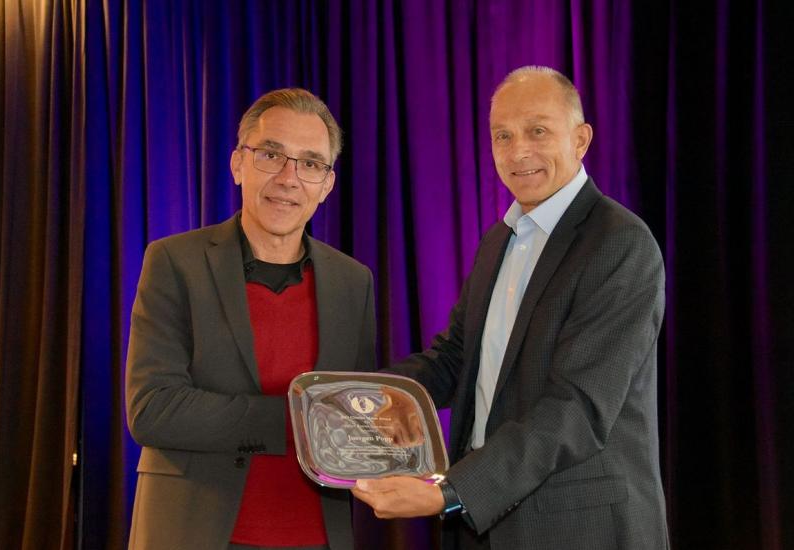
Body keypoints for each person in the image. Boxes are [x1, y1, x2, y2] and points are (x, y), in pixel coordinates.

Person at [352, 66, 669, 550]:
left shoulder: (620, 244)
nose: (518, 151)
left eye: (538, 131)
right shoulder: (500, 239)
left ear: (581, 140)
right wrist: (375, 399)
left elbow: (577, 407)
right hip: (484, 522)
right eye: (503, 135)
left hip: (577, 529)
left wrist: (453, 491)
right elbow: (456, 358)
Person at [126, 88, 375, 550]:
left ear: (326, 185)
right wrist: (301, 419)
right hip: (194, 533)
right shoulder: (174, 261)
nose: (288, 178)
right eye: (271, 155)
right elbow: (153, 410)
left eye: (310, 163)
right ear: (238, 163)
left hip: (317, 536)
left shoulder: (352, 281)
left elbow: (352, 414)